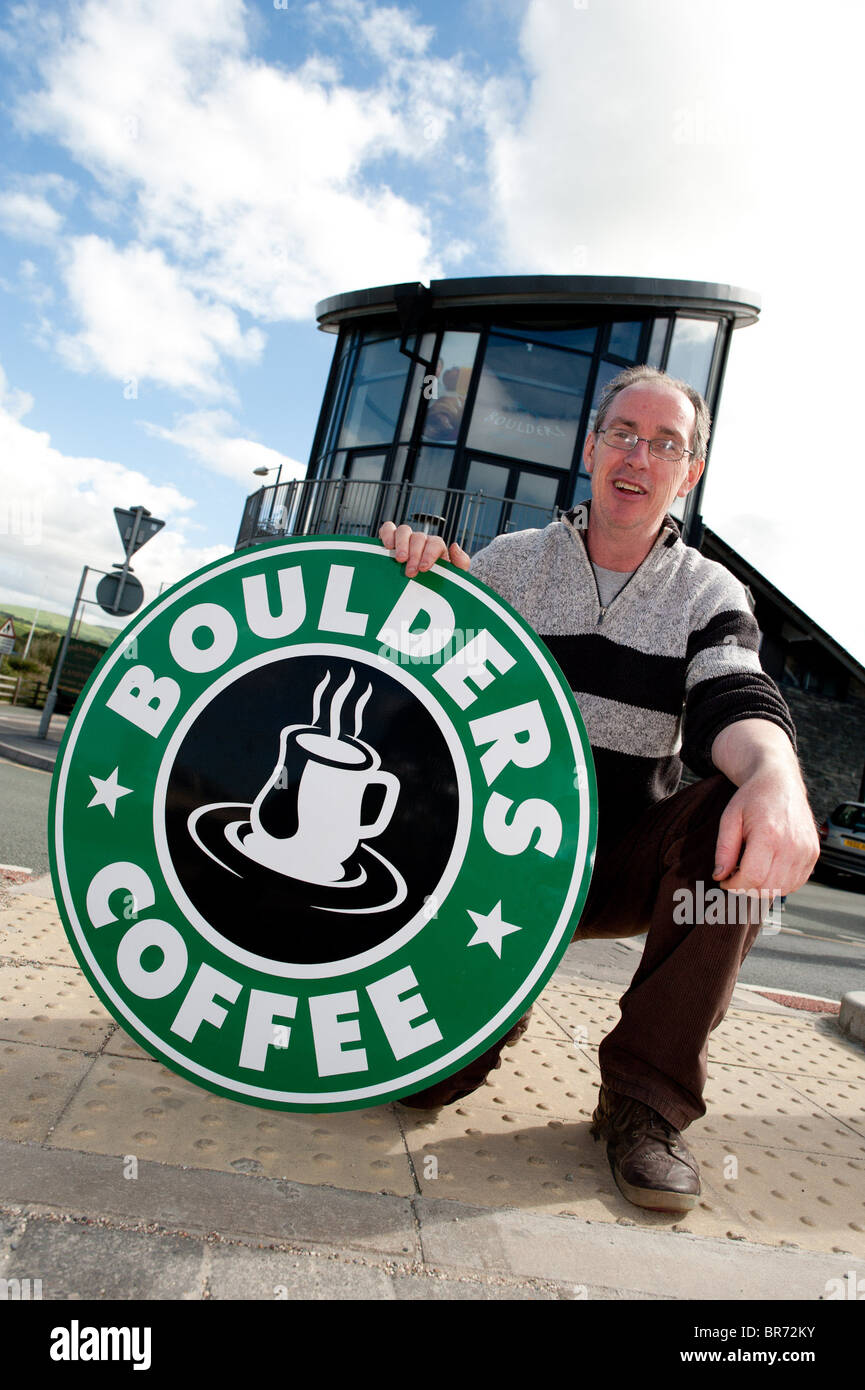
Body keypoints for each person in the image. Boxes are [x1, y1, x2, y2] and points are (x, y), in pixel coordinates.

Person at [377, 364, 819, 1214]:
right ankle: (491, 1010)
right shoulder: (510, 563)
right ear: (589, 448)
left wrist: (773, 775)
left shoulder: (707, 591)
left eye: (665, 445)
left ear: (687, 473)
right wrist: (417, 577)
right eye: (622, 434)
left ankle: (643, 1102)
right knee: (423, 1089)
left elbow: (735, 691)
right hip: (495, 862)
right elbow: (417, 680)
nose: (638, 456)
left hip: (621, 860)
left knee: (734, 832)